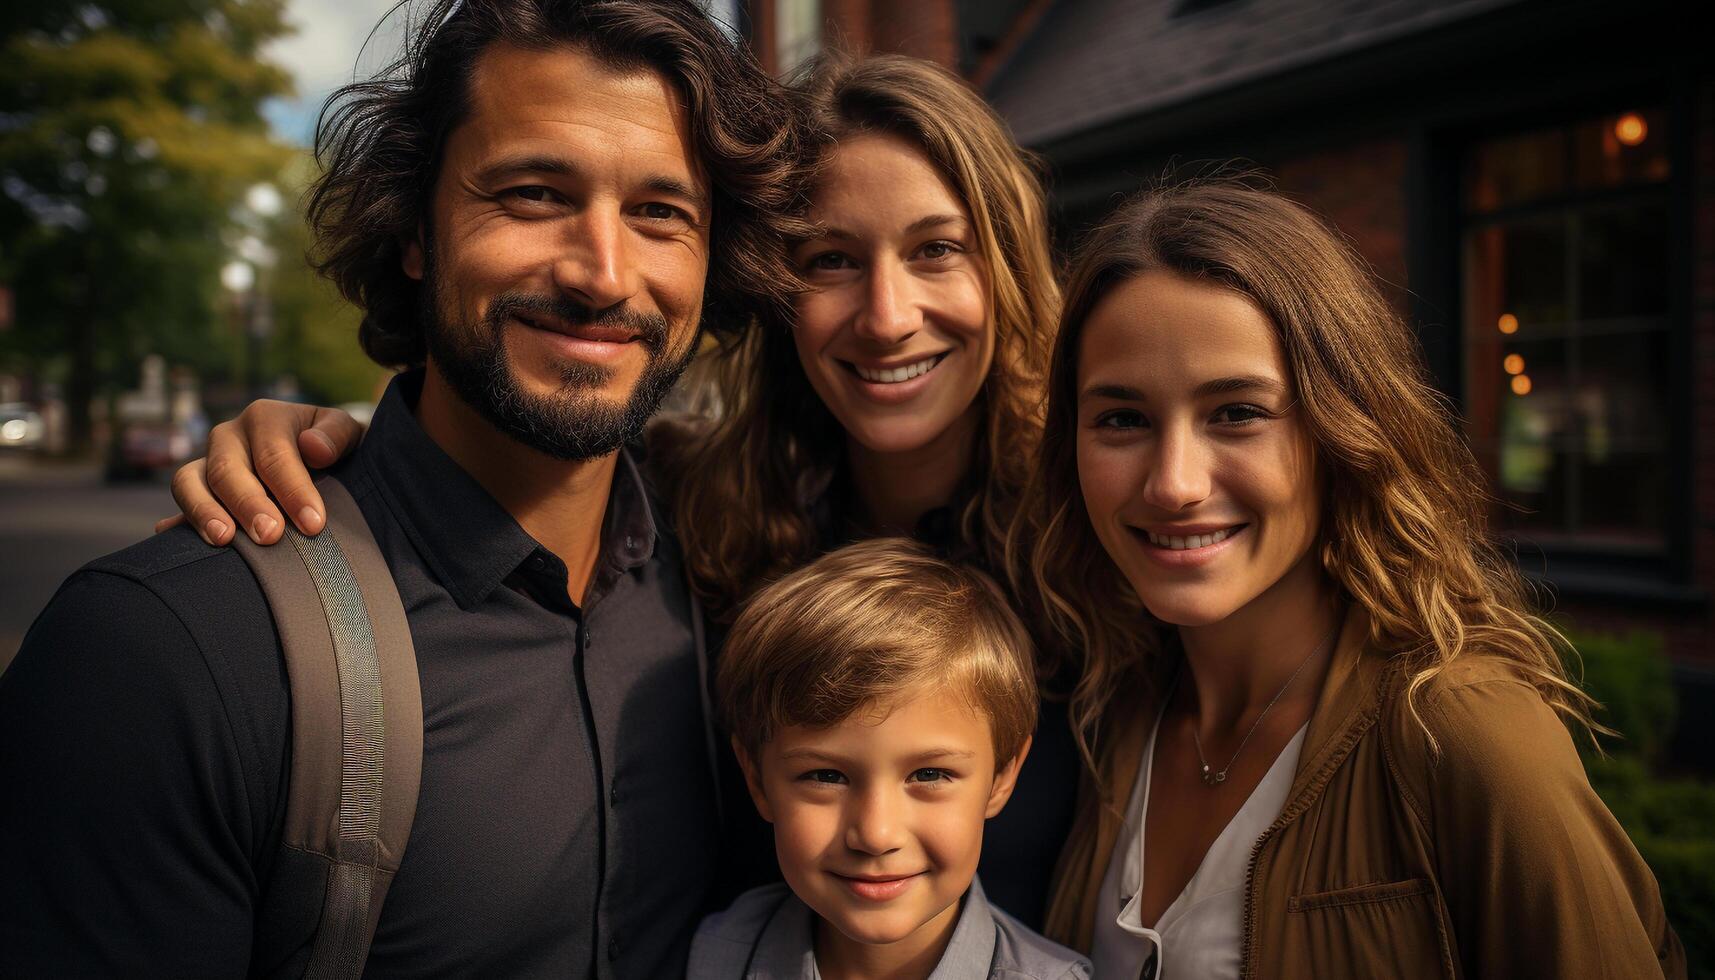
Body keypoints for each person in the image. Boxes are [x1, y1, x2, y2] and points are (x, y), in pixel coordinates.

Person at [161, 53, 1081, 928]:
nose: (885, 317)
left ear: (1003, 264)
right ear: (766, 286)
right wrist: (345, 451)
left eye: (936, 251)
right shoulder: (703, 513)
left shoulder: (1094, 543)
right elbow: (506, 447)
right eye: (829, 260)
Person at [0, 0, 806, 976]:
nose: (603, 272)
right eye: (534, 193)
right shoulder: (165, 654)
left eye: (659, 213)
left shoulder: (740, 581)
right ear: (415, 229)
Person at [1016, 180, 1685, 978]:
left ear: (1344, 429)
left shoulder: (1464, 735)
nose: (1173, 483)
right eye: (1122, 419)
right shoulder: (1106, 710)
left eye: (1237, 412)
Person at [692, 538, 1089, 980]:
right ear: (757, 780)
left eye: (930, 774)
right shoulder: (709, 956)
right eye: (826, 776)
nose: (876, 835)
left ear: (1002, 776)